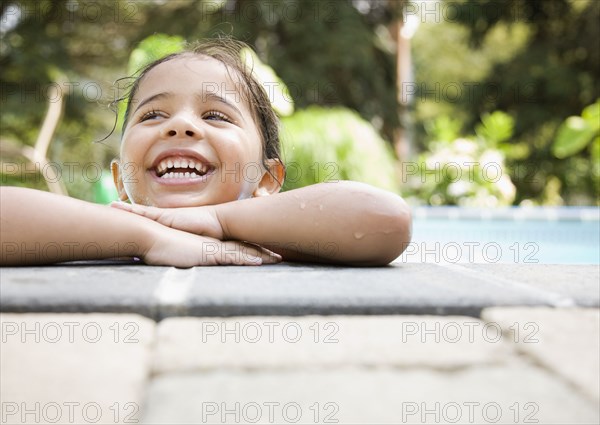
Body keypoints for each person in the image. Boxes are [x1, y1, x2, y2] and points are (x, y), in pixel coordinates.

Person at [0, 39, 411, 267]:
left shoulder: (286, 238)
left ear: (267, 180)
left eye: (215, 115)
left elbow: (386, 220)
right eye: (153, 114)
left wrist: (218, 219)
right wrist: (146, 237)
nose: (179, 125)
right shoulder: (101, 231)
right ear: (118, 180)